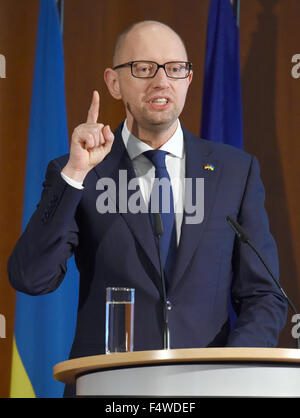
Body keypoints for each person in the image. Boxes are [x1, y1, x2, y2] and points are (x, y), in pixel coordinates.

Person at [8, 20, 287, 397]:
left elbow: (264, 295)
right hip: (109, 391)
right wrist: (75, 174)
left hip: (207, 390)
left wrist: (228, 374)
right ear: (113, 82)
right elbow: (30, 277)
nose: (161, 81)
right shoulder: (78, 170)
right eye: (143, 68)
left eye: (175, 69)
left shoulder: (235, 172)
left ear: (188, 79)